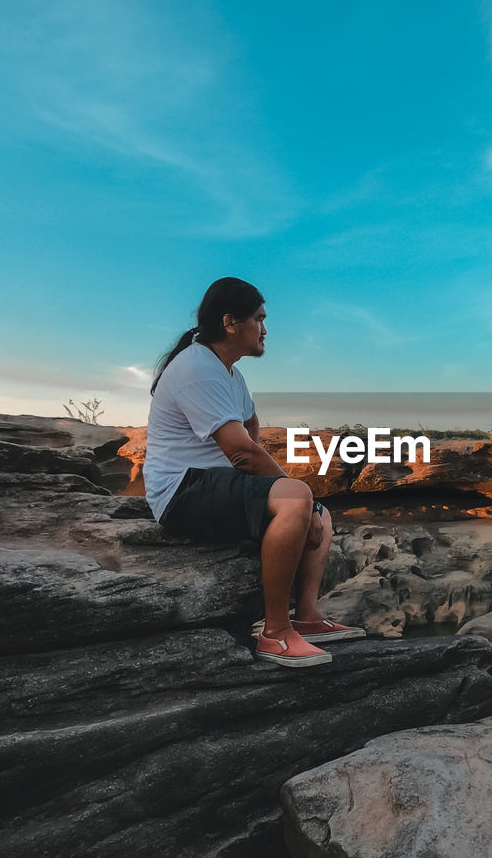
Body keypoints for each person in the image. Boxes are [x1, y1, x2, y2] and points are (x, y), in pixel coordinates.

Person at [145, 277, 364, 668]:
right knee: (299, 498)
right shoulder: (196, 367)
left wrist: (297, 496)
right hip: (181, 491)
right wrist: (292, 490)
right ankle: (275, 633)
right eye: (259, 319)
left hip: (212, 484)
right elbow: (241, 452)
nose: (265, 329)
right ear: (231, 322)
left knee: (320, 513)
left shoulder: (229, 372)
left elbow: (250, 423)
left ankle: (308, 619)